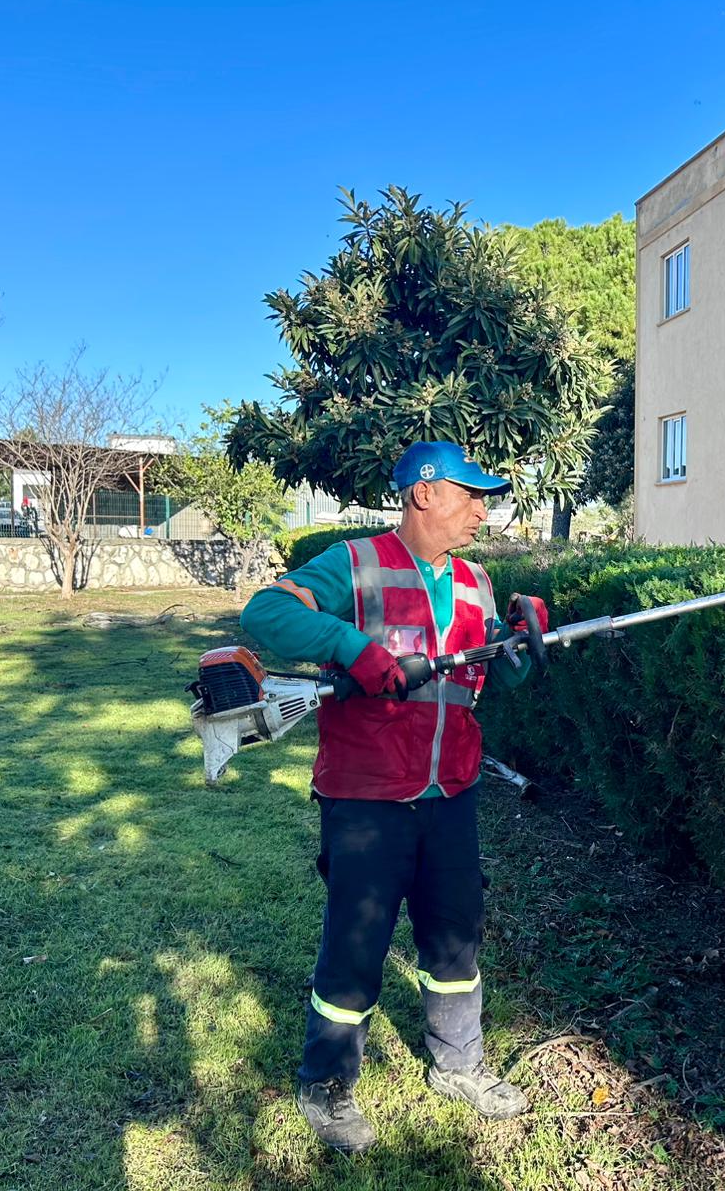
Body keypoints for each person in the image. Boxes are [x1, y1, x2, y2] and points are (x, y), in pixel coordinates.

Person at [239, 440, 550, 1155]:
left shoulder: (475, 581)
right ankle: (325, 1081)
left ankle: (459, 1064)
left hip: (451, 788)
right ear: (423, 494)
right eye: (470, 494)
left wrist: (520, 650)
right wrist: (352, 647)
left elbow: (482, 681)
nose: (483, 510)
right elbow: (263, 616)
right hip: (369, 794)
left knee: (456, 933)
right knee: (358, 939)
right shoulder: (356, 565)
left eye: (485, 497)